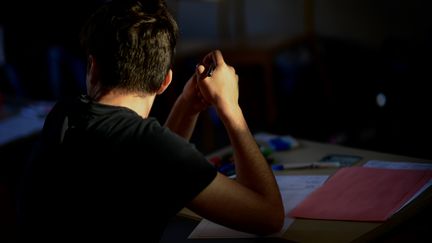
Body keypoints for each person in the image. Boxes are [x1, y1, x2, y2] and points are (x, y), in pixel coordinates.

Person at [17, 0, 284, 242]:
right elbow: (270, 217)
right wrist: (230, 107)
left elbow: (154, 166)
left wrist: (187, 106)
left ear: (92, 66)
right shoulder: (150, 147)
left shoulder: (63, 114)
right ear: (165, 81)